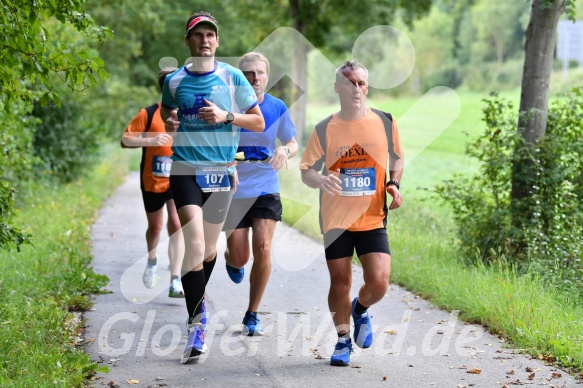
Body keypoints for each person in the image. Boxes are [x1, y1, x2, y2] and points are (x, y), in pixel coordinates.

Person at [160, 12, 264, 364]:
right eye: (198, 34)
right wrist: (170, 120)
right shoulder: (175, 80)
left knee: (206, 252)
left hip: (220, 172)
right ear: (187, 41)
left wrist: (226, 116)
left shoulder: (232, 77)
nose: (205, 39)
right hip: (185, 169)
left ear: (217, 41)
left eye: (210, 35)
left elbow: (257, 119)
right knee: (194, 243)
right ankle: (196, 325)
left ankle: (197, 309)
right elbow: (166, 112)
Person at [300, 61, 404, 366]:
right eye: (349, 83)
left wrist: (394, 184)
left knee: (380, 281)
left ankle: (360, 309)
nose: (355, 88)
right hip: (336, 220)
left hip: (372, 217)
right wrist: (320, 179)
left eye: (360, 83)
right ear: (337, 88)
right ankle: (343, 341)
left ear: (367, 88)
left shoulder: (385, 122)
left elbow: (398, 156)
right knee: (340, 282)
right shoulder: (324, 128)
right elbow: (306, 171)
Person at [222, 52, 298, 336]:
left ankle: (252, 313)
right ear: (240, 78)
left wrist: (283, 149)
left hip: (266, 185)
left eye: (260, 73)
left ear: (267, 76)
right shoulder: (227, 107)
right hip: (235, 187)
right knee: (241, 256)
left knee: (264, 248)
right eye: (249, 73)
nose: (255, 78)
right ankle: (232, 259)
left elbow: (292, 142)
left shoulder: (277, 107)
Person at [121, 67, 185, 298]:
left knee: (177, 224)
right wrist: (150, 139)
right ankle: (152, 260)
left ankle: (176, 280)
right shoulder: (148, 113)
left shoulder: (187, 114)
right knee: (156, 227)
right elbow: (125, 139)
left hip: (178, 176)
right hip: (153, 178)